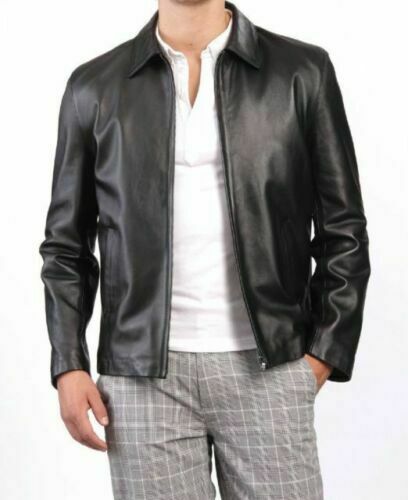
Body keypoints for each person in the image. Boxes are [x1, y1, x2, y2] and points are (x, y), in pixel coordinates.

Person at [39, 1, 371, 498]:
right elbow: (66, 245)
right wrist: (68, 363)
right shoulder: (94, 86)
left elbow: (343, 229)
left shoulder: (302, 72)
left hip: (270, 368)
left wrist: (321, 357)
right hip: (142, 379)